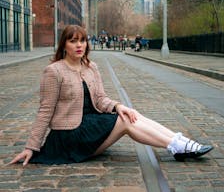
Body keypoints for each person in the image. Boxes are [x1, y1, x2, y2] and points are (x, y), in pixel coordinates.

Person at [10, 25, 213, 166]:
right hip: (69, 136)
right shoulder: (54, 71)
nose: (79, 45)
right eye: (73, 42)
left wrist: (118, 106)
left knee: (130, 114)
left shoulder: (91, 67)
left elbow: (100, 99)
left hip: (90, 125)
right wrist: (31, 146)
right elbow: (45, 111)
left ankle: (181, 142)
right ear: (64, 45)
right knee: (125, 123)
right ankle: (176, 146)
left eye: (82, 41)